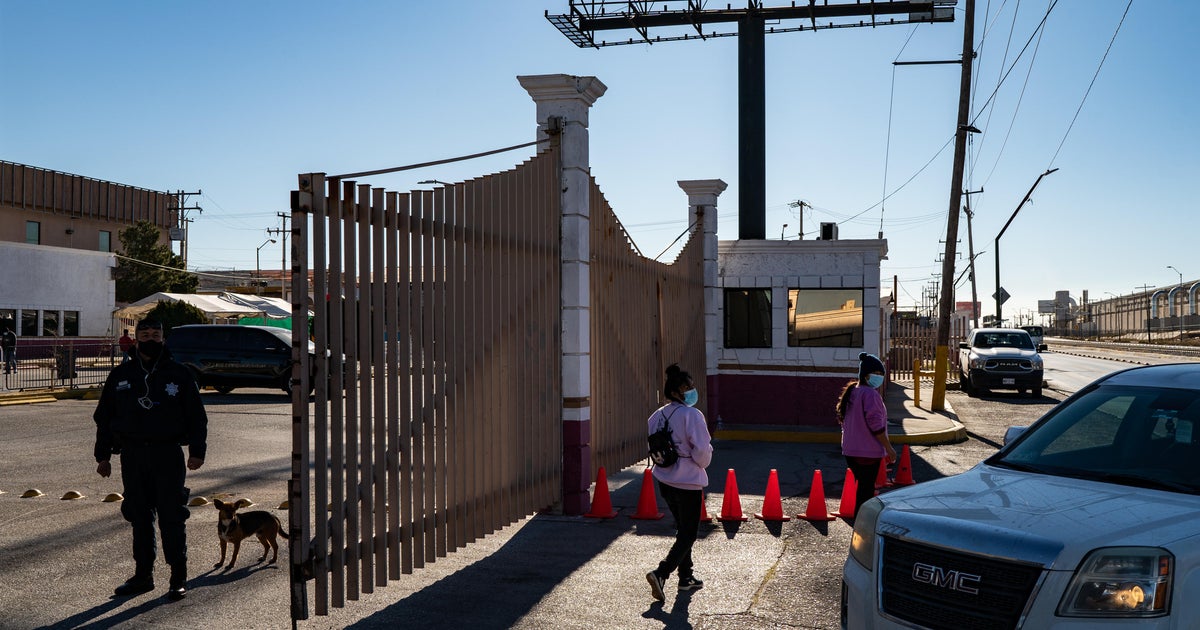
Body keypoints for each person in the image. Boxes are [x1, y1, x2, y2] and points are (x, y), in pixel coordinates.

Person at [94, 318, 207, 601]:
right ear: (135, 339)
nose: (150, 339)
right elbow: (104, 417)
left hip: (167, 454)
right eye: (145, 334)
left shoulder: (179, 374)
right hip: (132, 456)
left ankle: (178, 576)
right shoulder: (121, 375)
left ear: (163, 339)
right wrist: (103, 455)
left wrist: (197, 451)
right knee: (139, 515)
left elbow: (196, 416)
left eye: (156, 335)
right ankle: (143, 575)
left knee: (172, 516)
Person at [645, 364, 713, 603]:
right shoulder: (692, 415)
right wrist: (702, 462)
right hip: (688, 482)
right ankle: (661, 573)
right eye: (687, 387)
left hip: (664, 479)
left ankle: (686, 577)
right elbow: (702, 452)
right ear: (675, 392)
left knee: (682, 527)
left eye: (691, 386)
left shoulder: (656, 416)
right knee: (689, 533)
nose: (692, 391)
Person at [836, 352, 897, 518]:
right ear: (865, 375)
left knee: (863, 488)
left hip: (850, 451)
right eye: (875, 374)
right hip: (867, 452)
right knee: (866, 491)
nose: (879, 378)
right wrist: (889, 449)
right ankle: (861, 525)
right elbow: (876, 426)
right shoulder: (871, 395)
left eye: (881, 375)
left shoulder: (853, 392)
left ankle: (860, 523)